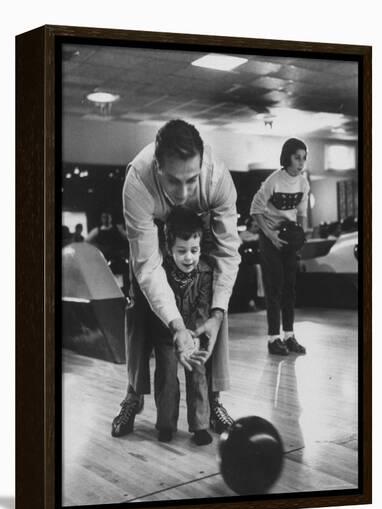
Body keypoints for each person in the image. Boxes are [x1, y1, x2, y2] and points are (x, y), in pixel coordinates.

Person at [111, 119, 241, 437]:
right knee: (138, 305)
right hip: (156, 241)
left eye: (191, 180)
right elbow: (148, 268)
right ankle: (133, 395)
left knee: (214, 308)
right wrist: (178, 327)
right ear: (157, 167)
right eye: (173, 182)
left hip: (196, 237)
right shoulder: (137, 182)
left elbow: (227, 253)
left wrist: (216, 313)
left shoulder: (218, 179)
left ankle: (214, 401)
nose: (182, 193)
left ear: (202, 166)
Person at [152, 207, 215, 445]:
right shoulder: (161, 272)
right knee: (166, 376)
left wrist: (195, 335)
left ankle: (199, 426)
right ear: (169, 250)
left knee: (198, 373)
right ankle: (166, 425)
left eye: (194, 250)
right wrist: (175, 331)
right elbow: (158, 303)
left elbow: (203, 307)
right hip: (166, 334)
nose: (189, 257)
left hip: (194, 334)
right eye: (182, 251)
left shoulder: (205, 272)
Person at [250, 137, 310, 356]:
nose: (301, 162)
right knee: (274, 287)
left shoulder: (303, 183)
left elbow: (302, 214)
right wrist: (270, 235)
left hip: (288, 237)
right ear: (287, 158)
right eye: (297, 158)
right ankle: (273, 338)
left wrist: (300, 238)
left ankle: (289, 335)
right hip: (269, 238)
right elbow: (255, 210)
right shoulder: (273, 181)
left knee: (290, 288)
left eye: (304, 158)